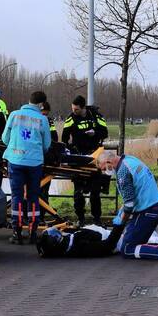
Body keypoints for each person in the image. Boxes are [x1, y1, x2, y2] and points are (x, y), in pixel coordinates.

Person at [96, 150, 158, 262]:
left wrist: (120, 223)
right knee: (137, 241)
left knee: (127, 249)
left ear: (109, 161)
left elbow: (129, 205)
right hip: (154, 208)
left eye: (104, 169)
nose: (105, 172)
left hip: (146, 212)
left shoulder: (122, 172)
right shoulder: (129, 160)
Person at [2, 90, 52, 244]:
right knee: (33, 197)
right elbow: (47, 144)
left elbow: (5, 138)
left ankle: (17, 233)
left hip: (15, 160)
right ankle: (32, 232)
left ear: (29, 101)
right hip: (34, 163)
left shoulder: (14, 115)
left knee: (16, 196)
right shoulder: (42, 120)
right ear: (41, 104)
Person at [62, 95, 109, 226]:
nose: (74, 111)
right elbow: (64, 137)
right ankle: (81, 218)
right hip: (78, 158)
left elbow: (105, 132)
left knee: (95, 191)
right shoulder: (71, 118)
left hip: (95, 157)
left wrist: (95, 133)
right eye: (73, 109)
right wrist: (70, 149)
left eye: (76, 109)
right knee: (78, 192)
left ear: (83, 108)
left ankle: (97, 219)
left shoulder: (96, 116)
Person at [39, 100, 62, 207]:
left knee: (43, 189)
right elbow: (54, 138)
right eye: (44, 113)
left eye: (46, 114)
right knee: (41, 190)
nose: (45, 116)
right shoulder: (46, 120)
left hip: (43, 159)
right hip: (42, 158)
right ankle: (40, 214)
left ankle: (41, 214)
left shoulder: (47, 120)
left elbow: (55, 137)